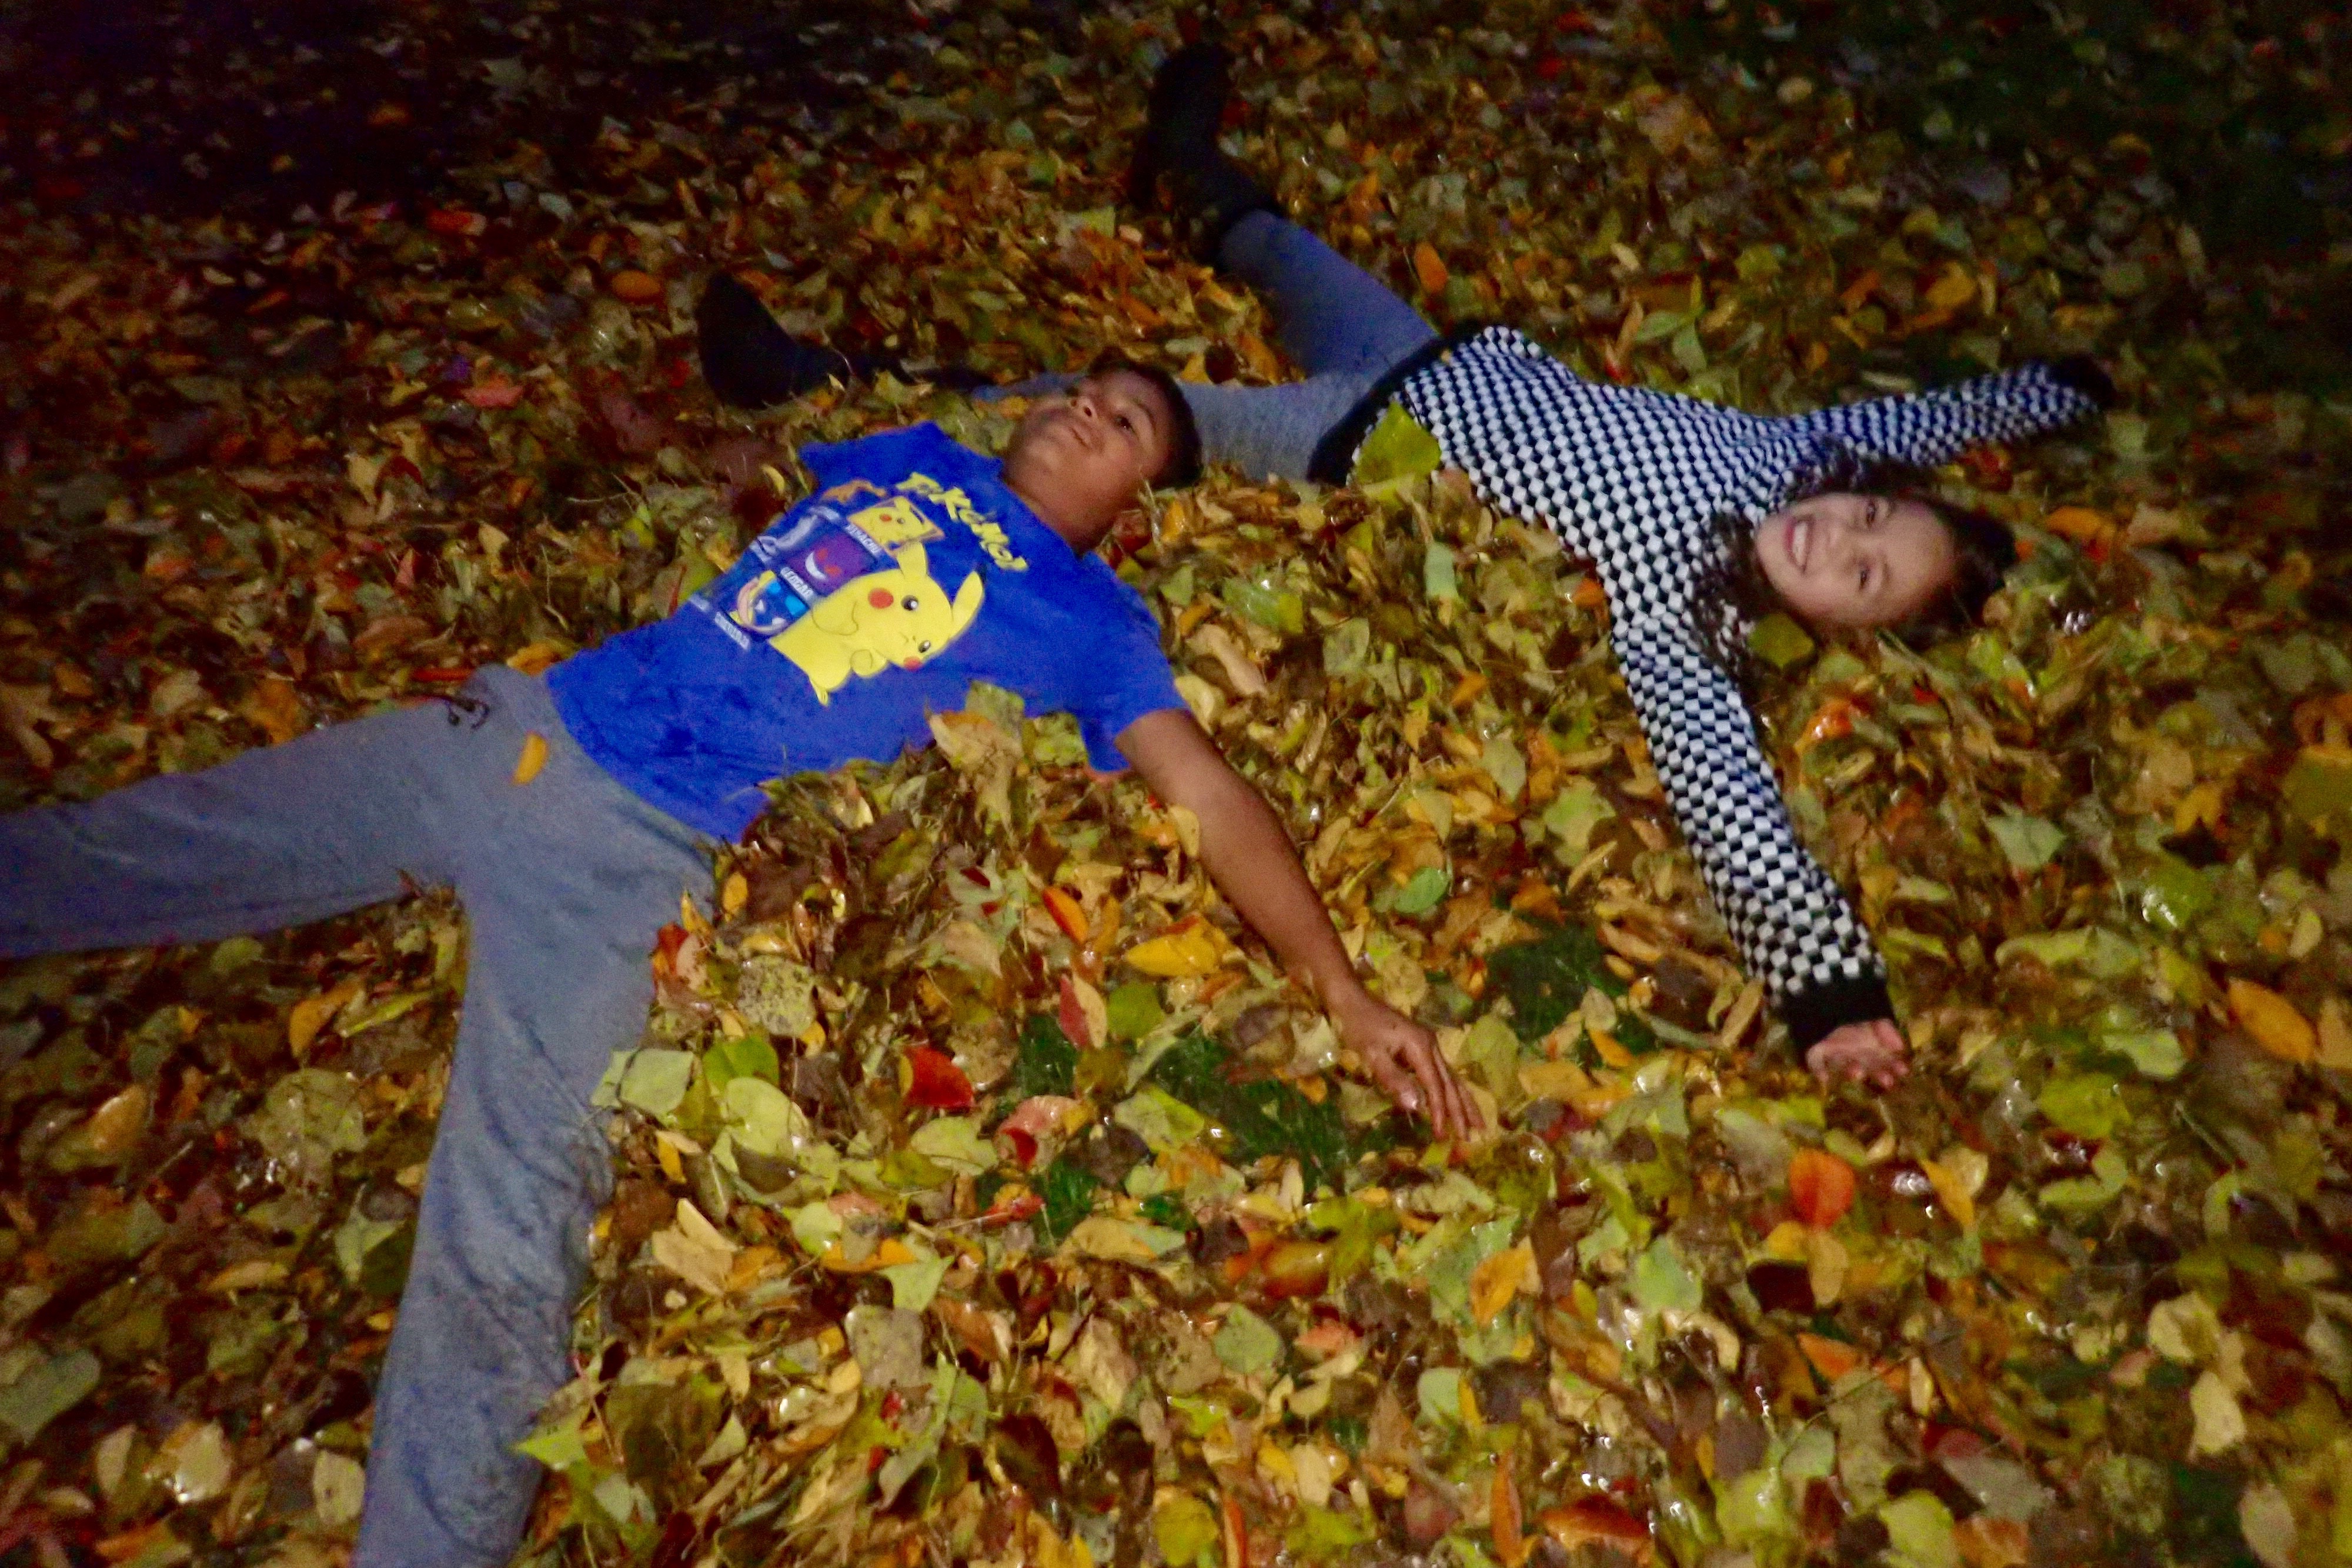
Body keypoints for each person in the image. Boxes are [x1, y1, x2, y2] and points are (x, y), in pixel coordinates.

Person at [0, 357, 1473, 1568]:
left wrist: (1342, 991)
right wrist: (664, 442)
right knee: (158, 837)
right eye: (1084, 391)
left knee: (511, 1231)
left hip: (640, 861)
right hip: (527, 728)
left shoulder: (1092, 623)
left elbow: (1208, 794)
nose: (1087, 409)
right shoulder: (912, 456)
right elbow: (763, 466)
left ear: (1138, 505)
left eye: (1128, 422)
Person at [1118, 43, 2116, 1089]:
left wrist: (1836, 1000)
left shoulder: (1686, 612)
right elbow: (1916, 423)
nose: (1838, 538)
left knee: (1151, 417)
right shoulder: (1793, 460)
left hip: (1346, 435)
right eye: (1869, 514)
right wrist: (2057, 391)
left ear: (1842, 630)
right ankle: (1185, 166)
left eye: (1864, 577)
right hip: (1425, 353)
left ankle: (1006, 409)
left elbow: (1734, 810)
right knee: (1274, 245)